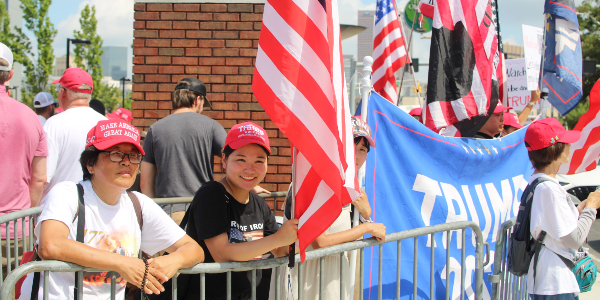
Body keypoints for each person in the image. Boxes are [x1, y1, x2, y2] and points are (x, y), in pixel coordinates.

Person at [19, 119, 204, 300]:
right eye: (116, 153)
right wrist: (123, 263)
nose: (126, 162)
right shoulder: (67, 193)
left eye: (133, 155)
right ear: (90, 164)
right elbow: (50, 245)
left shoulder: (138, 204)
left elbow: (195, 250)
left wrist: (172, 261)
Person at [270, 117, 386, 300]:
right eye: (350, 146)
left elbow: (348, 235)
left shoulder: (352, 189)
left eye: (362, 149)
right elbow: (319, 242)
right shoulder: (312, 179)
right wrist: (367, 226)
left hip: (334, 274)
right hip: (304, 274)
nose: (355, 155)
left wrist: (365, 215)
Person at [181, 122, 297, 300]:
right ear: (225, 160)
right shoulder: (211, 194)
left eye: (259, 161)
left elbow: (281, 251)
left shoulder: (259, 204)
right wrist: (277, 239)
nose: (250, 169)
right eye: (241, 160)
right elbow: (222, 254)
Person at [524, 118, 600, 299]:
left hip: (549, 280)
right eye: (565, 143)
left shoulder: (538, 183)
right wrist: (590, 209)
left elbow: (551, 226)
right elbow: (574, 240)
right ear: (554, 149)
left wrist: (579, 210)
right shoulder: (549, 189)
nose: (569, 147)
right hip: (555, 283)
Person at [140, 77, 227, 224]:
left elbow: (145, 182)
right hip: (202, 210)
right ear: (197, 100)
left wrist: (154, 212)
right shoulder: (211, 126)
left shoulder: (155, 129)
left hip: (167, 213)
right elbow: (235, 158)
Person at [0, 42, 47, 273]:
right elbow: (39, 179)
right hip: (14, 227)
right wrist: (25, 214)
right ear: (10, 75)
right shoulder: (30, 117)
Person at [41, 68, 107, 204]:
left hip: (58, 209)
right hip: (96, 208)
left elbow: (43, 177)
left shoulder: (53, 124)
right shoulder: (105, 124)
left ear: (63, 92)